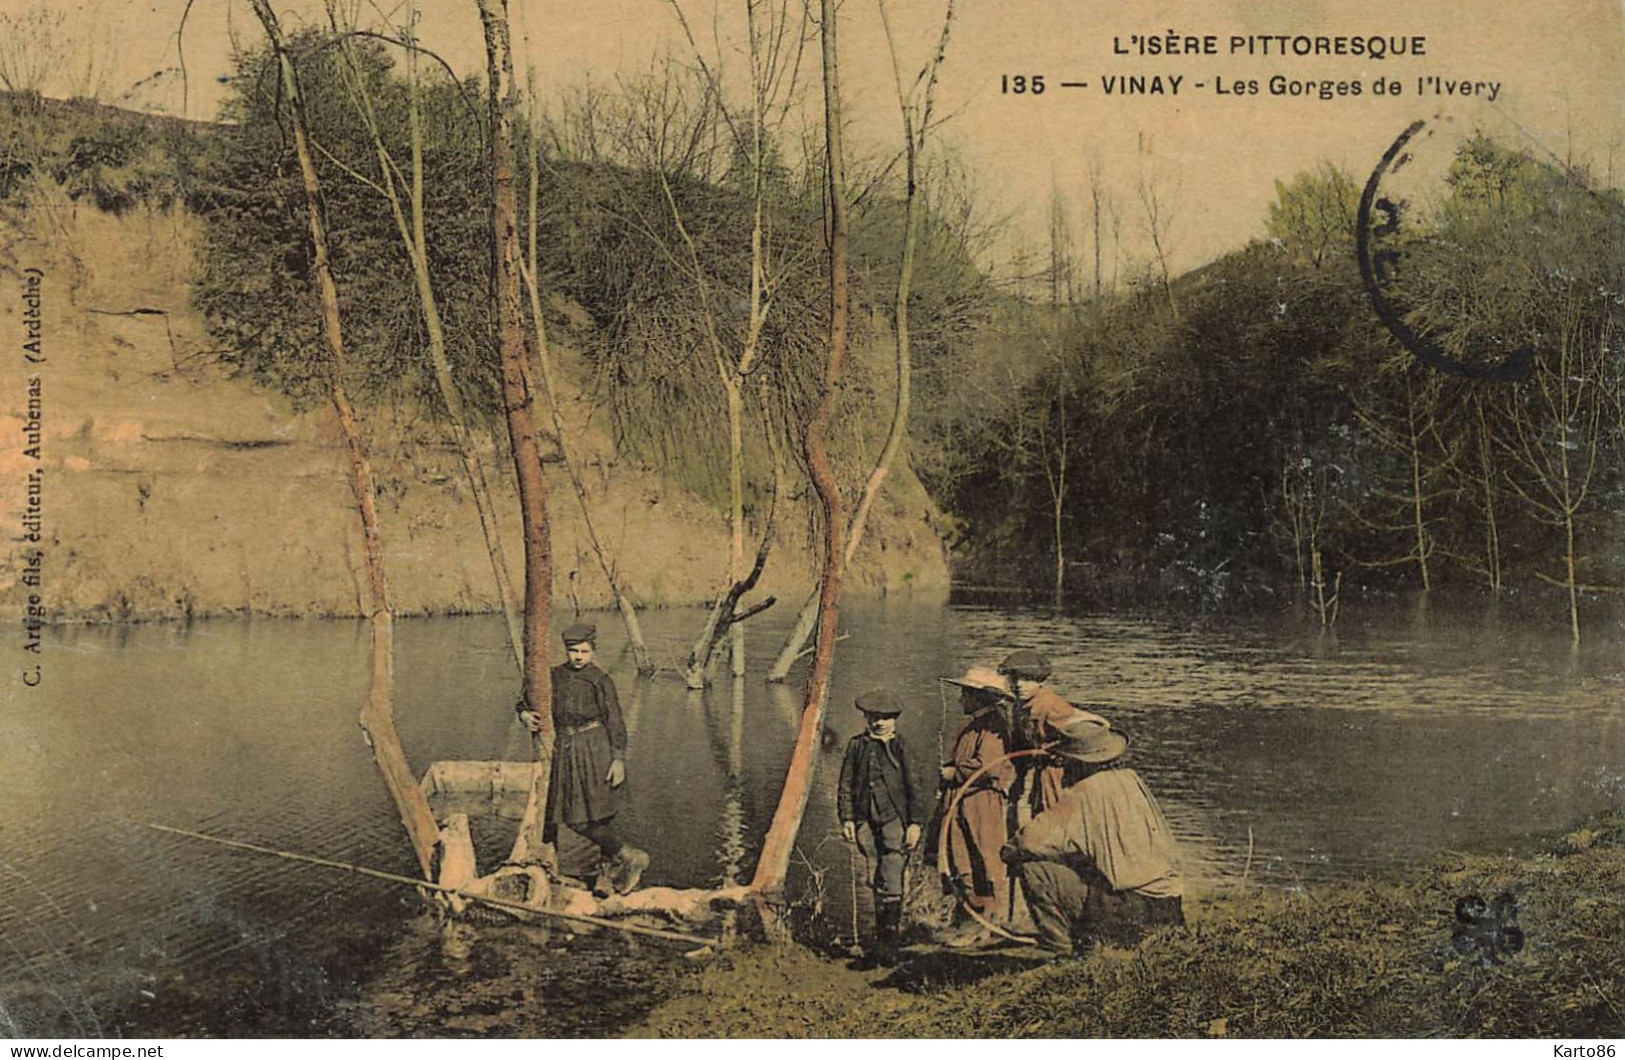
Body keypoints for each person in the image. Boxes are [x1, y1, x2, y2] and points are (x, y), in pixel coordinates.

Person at [1001, 714, 1184, 956]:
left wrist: (1009, 851)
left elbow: (1029, 841)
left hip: (1130, 909)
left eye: (1065, 762)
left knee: (1035, 869)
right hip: (1168, 906)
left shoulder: (1081, 793)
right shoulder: (1131, 779)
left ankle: (1062, 949)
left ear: (1075, 763)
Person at [516, 622, 649, 896]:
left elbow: (616, 722)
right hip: (565, 748)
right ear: (566, 650)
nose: (578, 656)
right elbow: (526, 696)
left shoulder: (600, 681)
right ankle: (617, 862)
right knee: (569, 815)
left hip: (595, 748)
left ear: (593, 651)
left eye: (584, 651)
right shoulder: (554, 676)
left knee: (596, 815)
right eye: (573, 650)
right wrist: (524, 714)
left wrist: (618, 759)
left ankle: (622, 862)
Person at [837, 688, 924, 967]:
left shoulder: (902, 747)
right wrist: (847, 819)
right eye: (874, 716)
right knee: (872, 875)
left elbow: (916, 788)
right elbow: (845, 786)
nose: (880, 722)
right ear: (865, 716)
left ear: (895, 719)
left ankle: (890, 942)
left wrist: (915, 823)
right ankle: (875, 940)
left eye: (886, 717)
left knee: (893, 874)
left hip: (894, 819)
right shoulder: (856, 746)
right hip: (865, 820)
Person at [936, 666, 1017, 947]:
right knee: (960, 857)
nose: (960, 700)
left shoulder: (993, 726)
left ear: (978, 698)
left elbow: (989, 767)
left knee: (981, 858)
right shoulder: (975, 724)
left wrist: (952, 773)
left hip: (980, 803)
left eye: (965, 694)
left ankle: (982, 924)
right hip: (964, 801)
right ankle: (966, 921)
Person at [998, 649, 1107, 817]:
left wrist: (1093, 720)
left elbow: (1078, 724)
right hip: (1038, 768)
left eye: (1027, 679)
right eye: (1014, 678)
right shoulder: (1021, 705)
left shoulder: (1050, 706)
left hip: (1058, 771)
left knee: (1054, 814)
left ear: (1041, 681)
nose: (1019, 684)